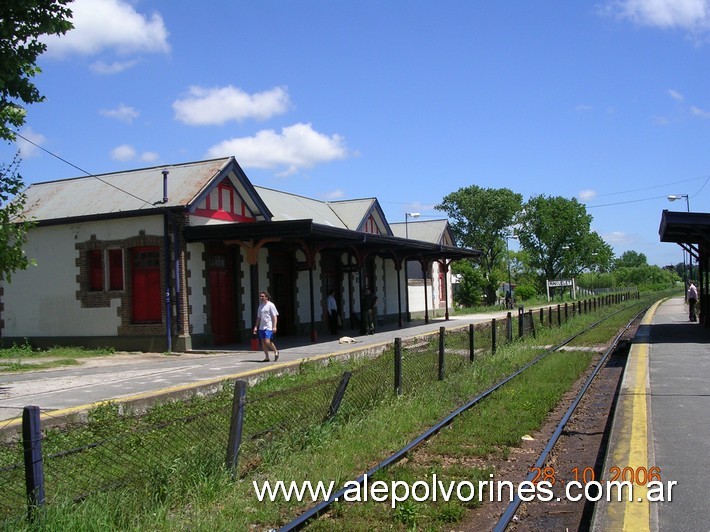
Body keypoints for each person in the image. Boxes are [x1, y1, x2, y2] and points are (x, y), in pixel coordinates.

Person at [252, 290, 279, 362]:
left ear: (267, 297)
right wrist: (255, 327)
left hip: (269, 326)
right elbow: (259, 317)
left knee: (267, 341)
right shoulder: (260, 306)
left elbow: (274, 316)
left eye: (262, 296)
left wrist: (274, 326)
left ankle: (276, 351)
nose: (261, 297)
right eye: (260, 296)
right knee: (263, 342)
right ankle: (267, 357)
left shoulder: (271, 305)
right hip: (262, 327)